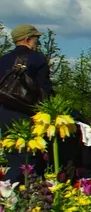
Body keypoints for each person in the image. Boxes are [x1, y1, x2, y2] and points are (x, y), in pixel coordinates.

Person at [0, 25, 53, 183]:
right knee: (29, 161)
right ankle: (7, 189)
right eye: (36, 39)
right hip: (27, 114)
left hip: (4, 113)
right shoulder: (37, 59)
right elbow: (44, 89)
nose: (37, 42)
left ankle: (17, 198)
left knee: (14, 157)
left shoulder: (3, 60)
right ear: (28, 39)